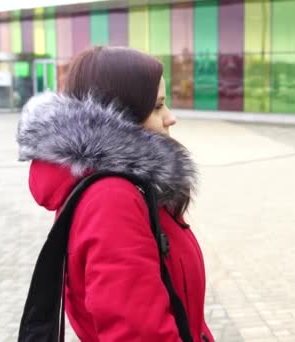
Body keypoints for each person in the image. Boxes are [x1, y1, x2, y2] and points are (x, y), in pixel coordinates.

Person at [17, 46, 214, 342]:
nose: (170, 117)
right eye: (158, 106)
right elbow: (139, 333)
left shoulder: (128, 184)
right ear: (121, 115)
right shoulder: (112, 199)